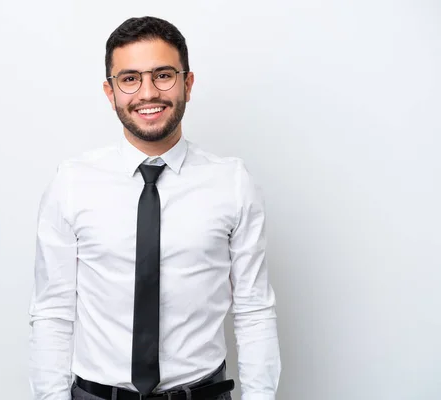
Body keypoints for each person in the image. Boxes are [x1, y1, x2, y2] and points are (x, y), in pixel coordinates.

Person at [29, 16, 281, 400]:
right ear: (110, 91)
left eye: (163, 75)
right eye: (129, 79)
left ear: (188, 83)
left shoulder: (232, 182)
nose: (148, 92)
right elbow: (53, 311)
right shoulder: (72, 183)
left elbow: (254, 310)